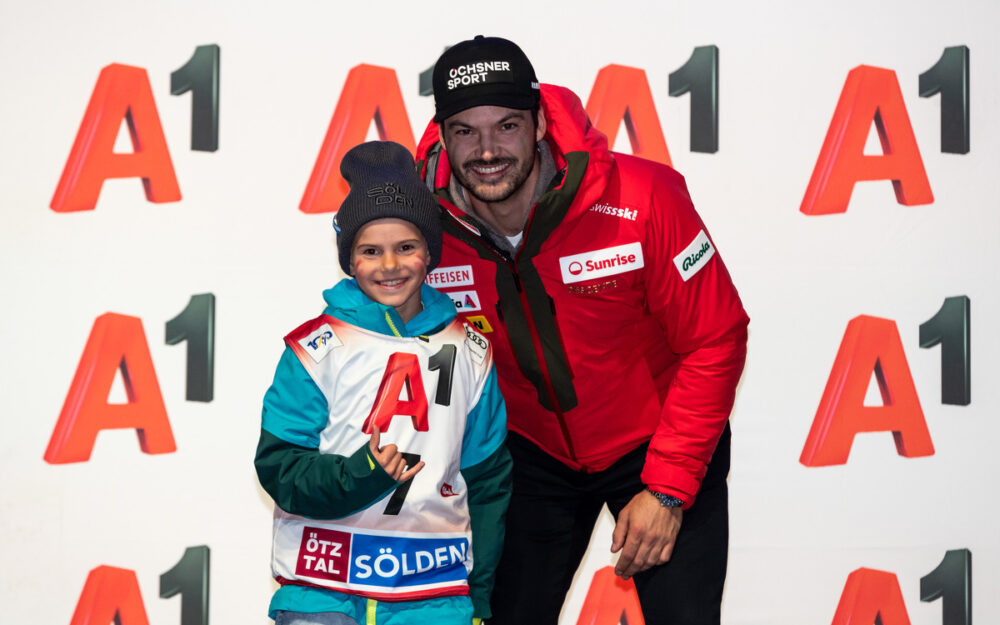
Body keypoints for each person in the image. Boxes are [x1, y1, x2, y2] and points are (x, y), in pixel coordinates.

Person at [415, 36, 749, 624]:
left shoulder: (645, 196)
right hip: (530, 454)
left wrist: (668, 490)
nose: (487, 150)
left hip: (656, 442)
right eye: (465, 130)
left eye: (508, 125)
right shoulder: (423, 227)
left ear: (541, 121)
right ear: (442, 133)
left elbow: (714, 339)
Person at [254, 141, 512, 625]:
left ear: (430, 254)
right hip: (324, 592)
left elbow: (488, 484)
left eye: (406, 247)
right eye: (370, 251)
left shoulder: (472, 353)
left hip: (435, 597)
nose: (389, 266)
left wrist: (477, 597)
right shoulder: (316, 350)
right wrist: (362, 473)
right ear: (349, 259)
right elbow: (279, 469)